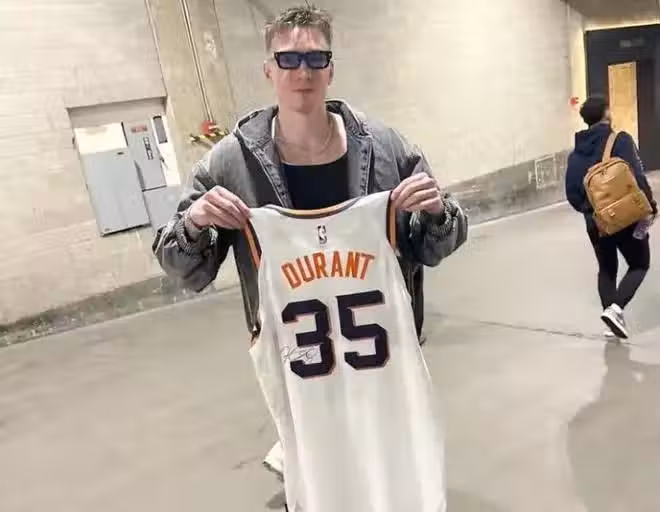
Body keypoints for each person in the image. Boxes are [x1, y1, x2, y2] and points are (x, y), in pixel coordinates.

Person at [152, 2, 467, 494]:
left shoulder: (384, 146)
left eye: (316, 58)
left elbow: (438, 242)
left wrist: (437, 213)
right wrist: (194, 223)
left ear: (331, 69)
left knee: (392, 475)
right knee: (322, 484)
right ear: (268, 70)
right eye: (288, 59)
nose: (303, 72)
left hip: (383, 357)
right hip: (300, 364)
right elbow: (184, 269)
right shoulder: (230, 163)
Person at [565, 96, 656, 339]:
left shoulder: (575, 154)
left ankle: (612, 322)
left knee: (606, 269)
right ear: (606, 113)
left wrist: (592, 211)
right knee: (640, 264)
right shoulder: (620, 140)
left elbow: (572, 194)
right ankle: (616, 310)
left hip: (596, 222)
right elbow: (636, 176)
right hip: (626, 217)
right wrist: (650, 206)